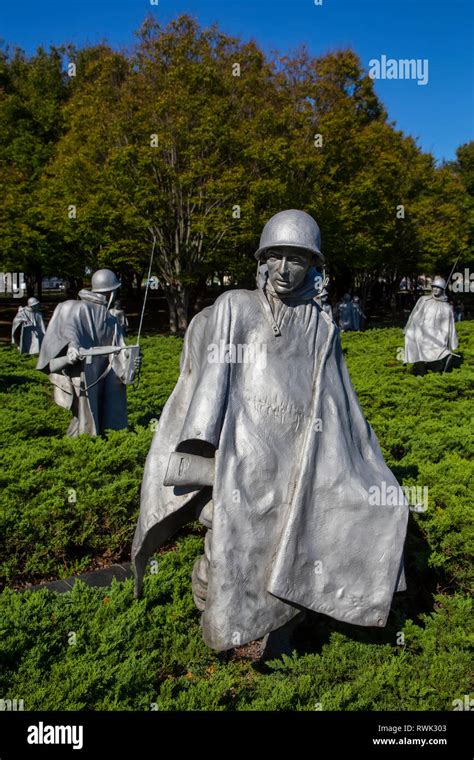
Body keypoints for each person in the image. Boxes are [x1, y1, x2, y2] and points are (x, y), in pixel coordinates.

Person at [132, 209, 408, 656]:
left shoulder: (322, 325)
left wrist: (365, 463)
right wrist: (205, 453)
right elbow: (210, 385)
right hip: (242, 454)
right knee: (231, 548)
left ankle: (275, 638)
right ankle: (221, 625)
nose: (284, 269)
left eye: (296, 259)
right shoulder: (235, 308)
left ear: (313, 265)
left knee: (298, 544)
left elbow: (339, 401)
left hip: (298, 457)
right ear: (262, 260)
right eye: (276, 257)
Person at [37, 269, 140, 436]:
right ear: (112, 292)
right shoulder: (77, 307)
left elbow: (121, 351)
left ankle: (97, 445)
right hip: (85, 372)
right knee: (84, 420)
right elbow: (71, 328)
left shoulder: (111, 319)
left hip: (102, 376)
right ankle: (79, 451)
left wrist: (132, 362)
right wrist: (72, 347)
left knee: (94, 417)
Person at [403, 276, 459, 374]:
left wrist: (451, 342)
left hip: (438, 336)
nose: (435, 289)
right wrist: (412, 328)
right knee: (413, 340)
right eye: (434, 287)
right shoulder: (424, 300)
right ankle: (421, 370)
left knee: (439, 351)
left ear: (443, 290)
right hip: (422, 332)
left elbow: (449, 327)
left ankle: (436, 369)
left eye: (438, 288)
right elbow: (415, 316)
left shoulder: (447, 307)